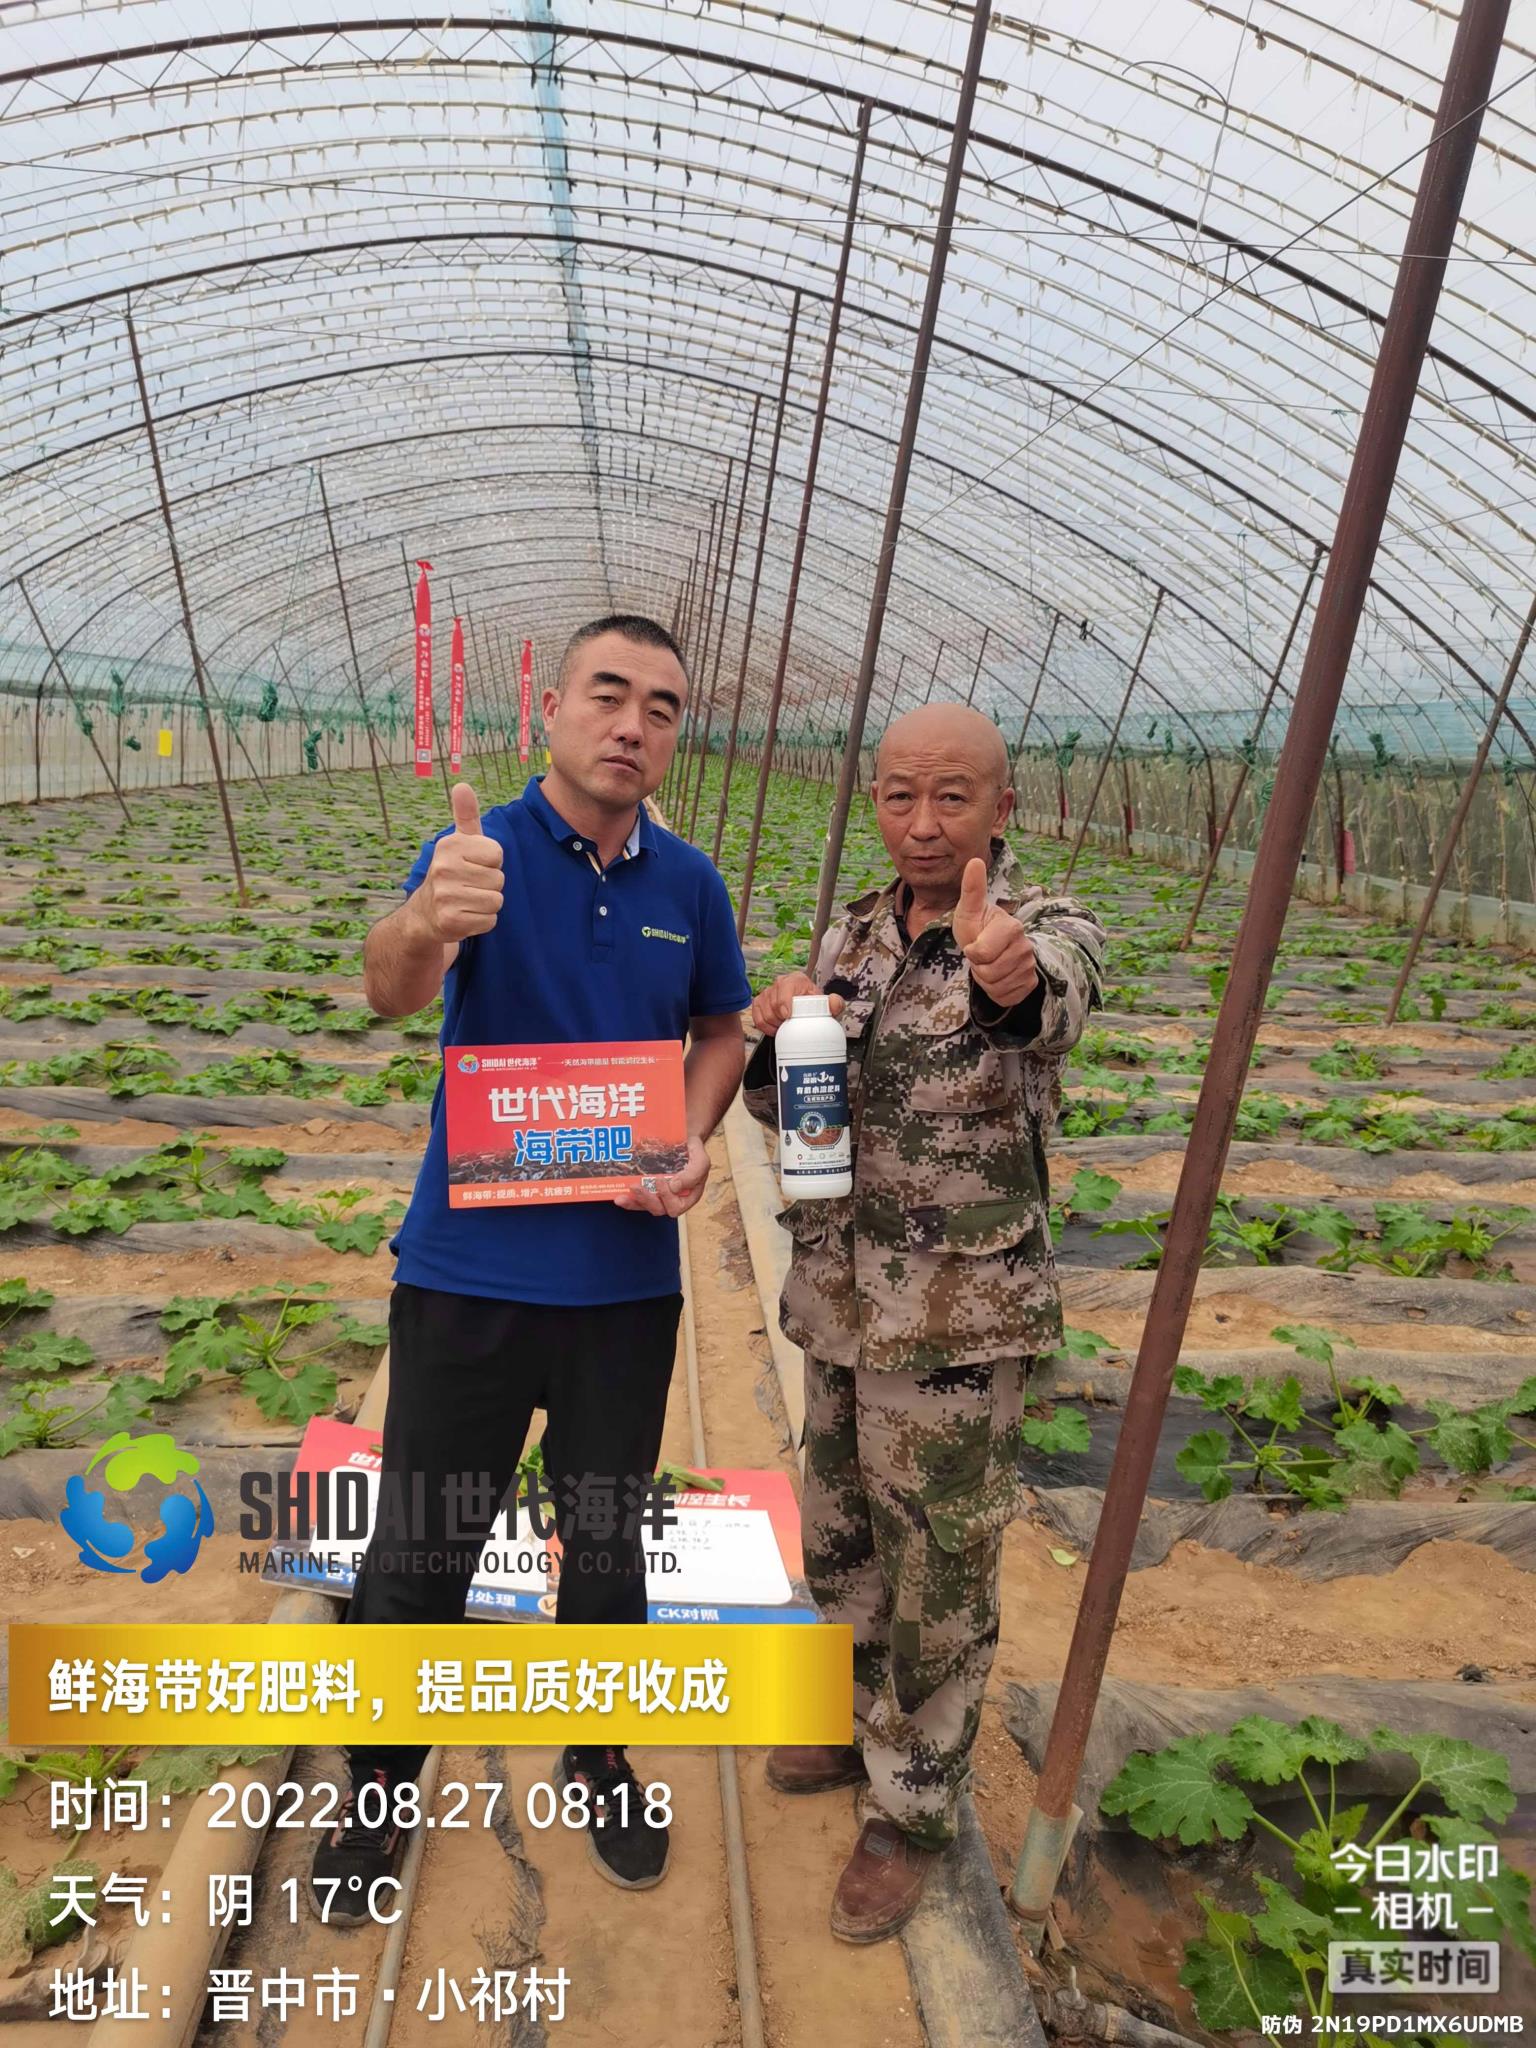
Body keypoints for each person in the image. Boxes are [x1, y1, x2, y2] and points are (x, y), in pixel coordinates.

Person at [310, 614, 750, 1919]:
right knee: (422, 1546)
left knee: (606, 1544)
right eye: (608, 694)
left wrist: (694, 1132)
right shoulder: (478, 850)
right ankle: (380, 1782)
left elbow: (722, 1029)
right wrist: (424, 917)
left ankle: (597, 1752)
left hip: (625, 1283)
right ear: (551, 709)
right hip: (469, 1274)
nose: (632, 724)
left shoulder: (691, 885)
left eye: (661, 707)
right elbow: (392, 987)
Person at [743, 701, 1105, 1944]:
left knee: (939, 1564)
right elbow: (793, 1102)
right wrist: (772, 1036)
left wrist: (1009, 976)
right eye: (900, 794)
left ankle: (912, 1797)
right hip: (840, 1299)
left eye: (953, 795)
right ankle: (844, 1715)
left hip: (955, 1316)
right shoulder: (851, 931)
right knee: (842, 1531)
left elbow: (1048, 1000)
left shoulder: (1043, 925)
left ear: (1002, 807)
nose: (923, 820)